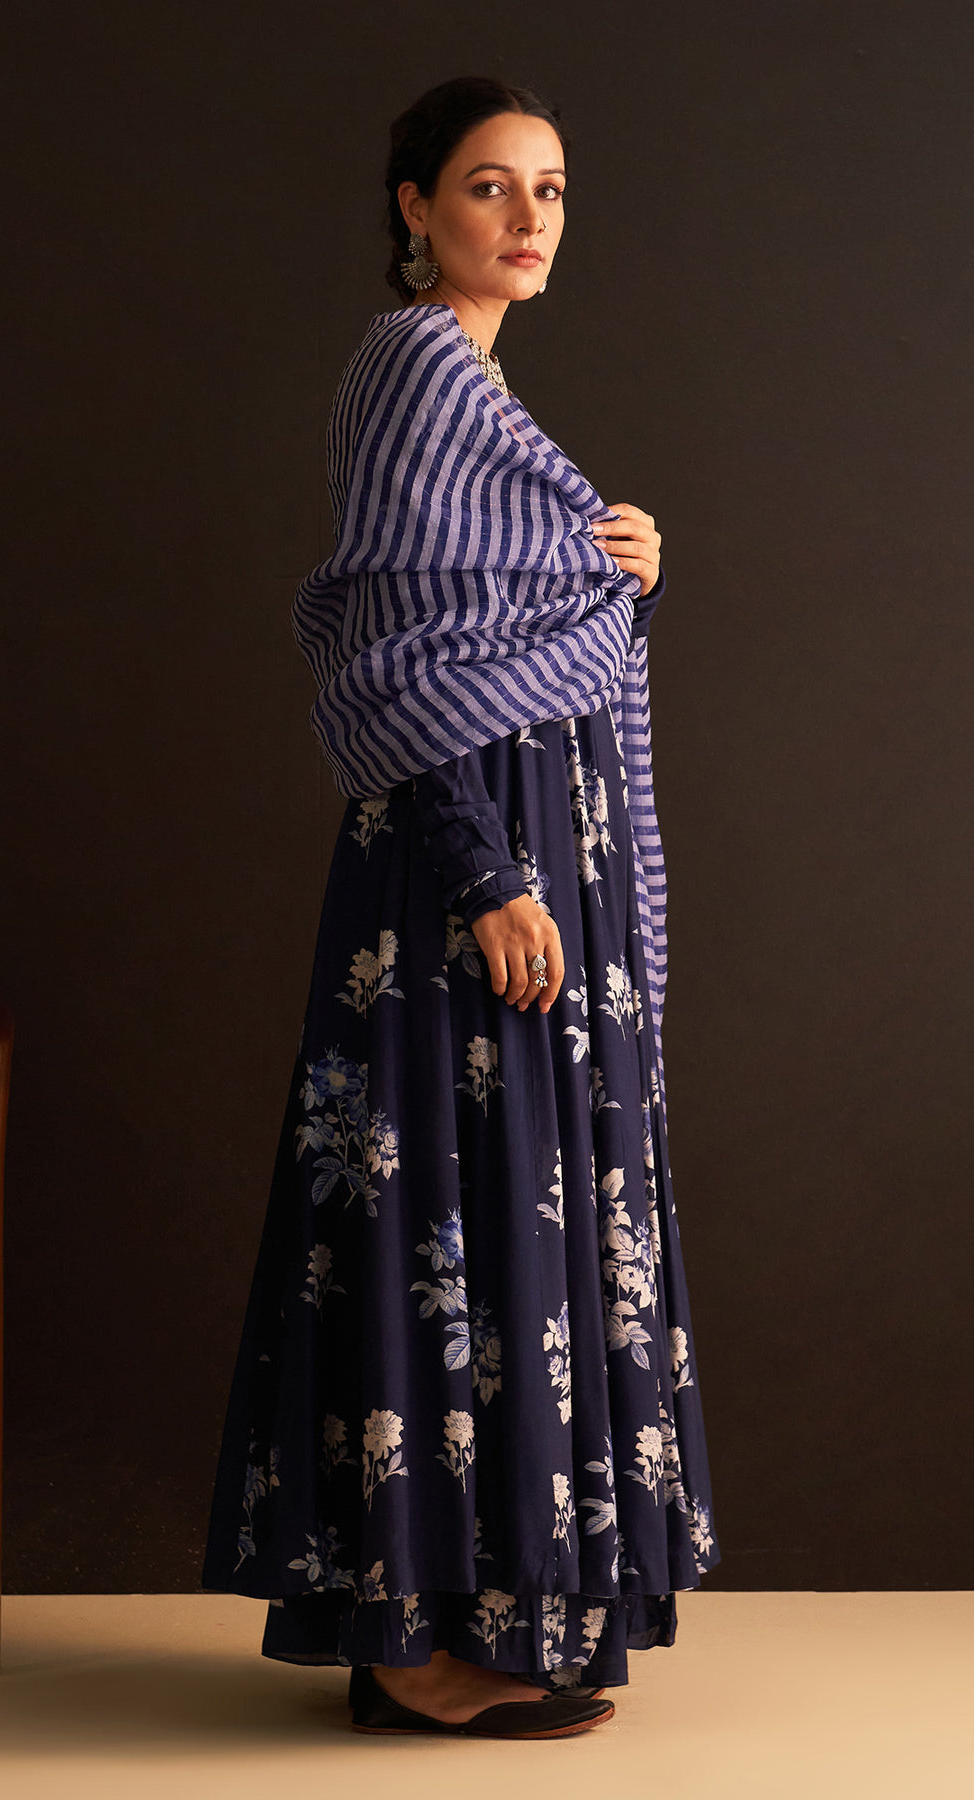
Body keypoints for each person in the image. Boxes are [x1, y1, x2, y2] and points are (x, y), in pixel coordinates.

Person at [201, 73, 720, 1741]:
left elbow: (505, 622)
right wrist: (485, 872)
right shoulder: (417, 365)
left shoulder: (484, 398)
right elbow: (400, 654)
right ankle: (408, 1646)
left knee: (513, 1218)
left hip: (535, 853)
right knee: (434, 1208)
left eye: (551, 189)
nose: (529, 216)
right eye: (492, 185)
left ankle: (493, 1612)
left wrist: (620, 569)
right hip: (467, 867)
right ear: (417, 206)